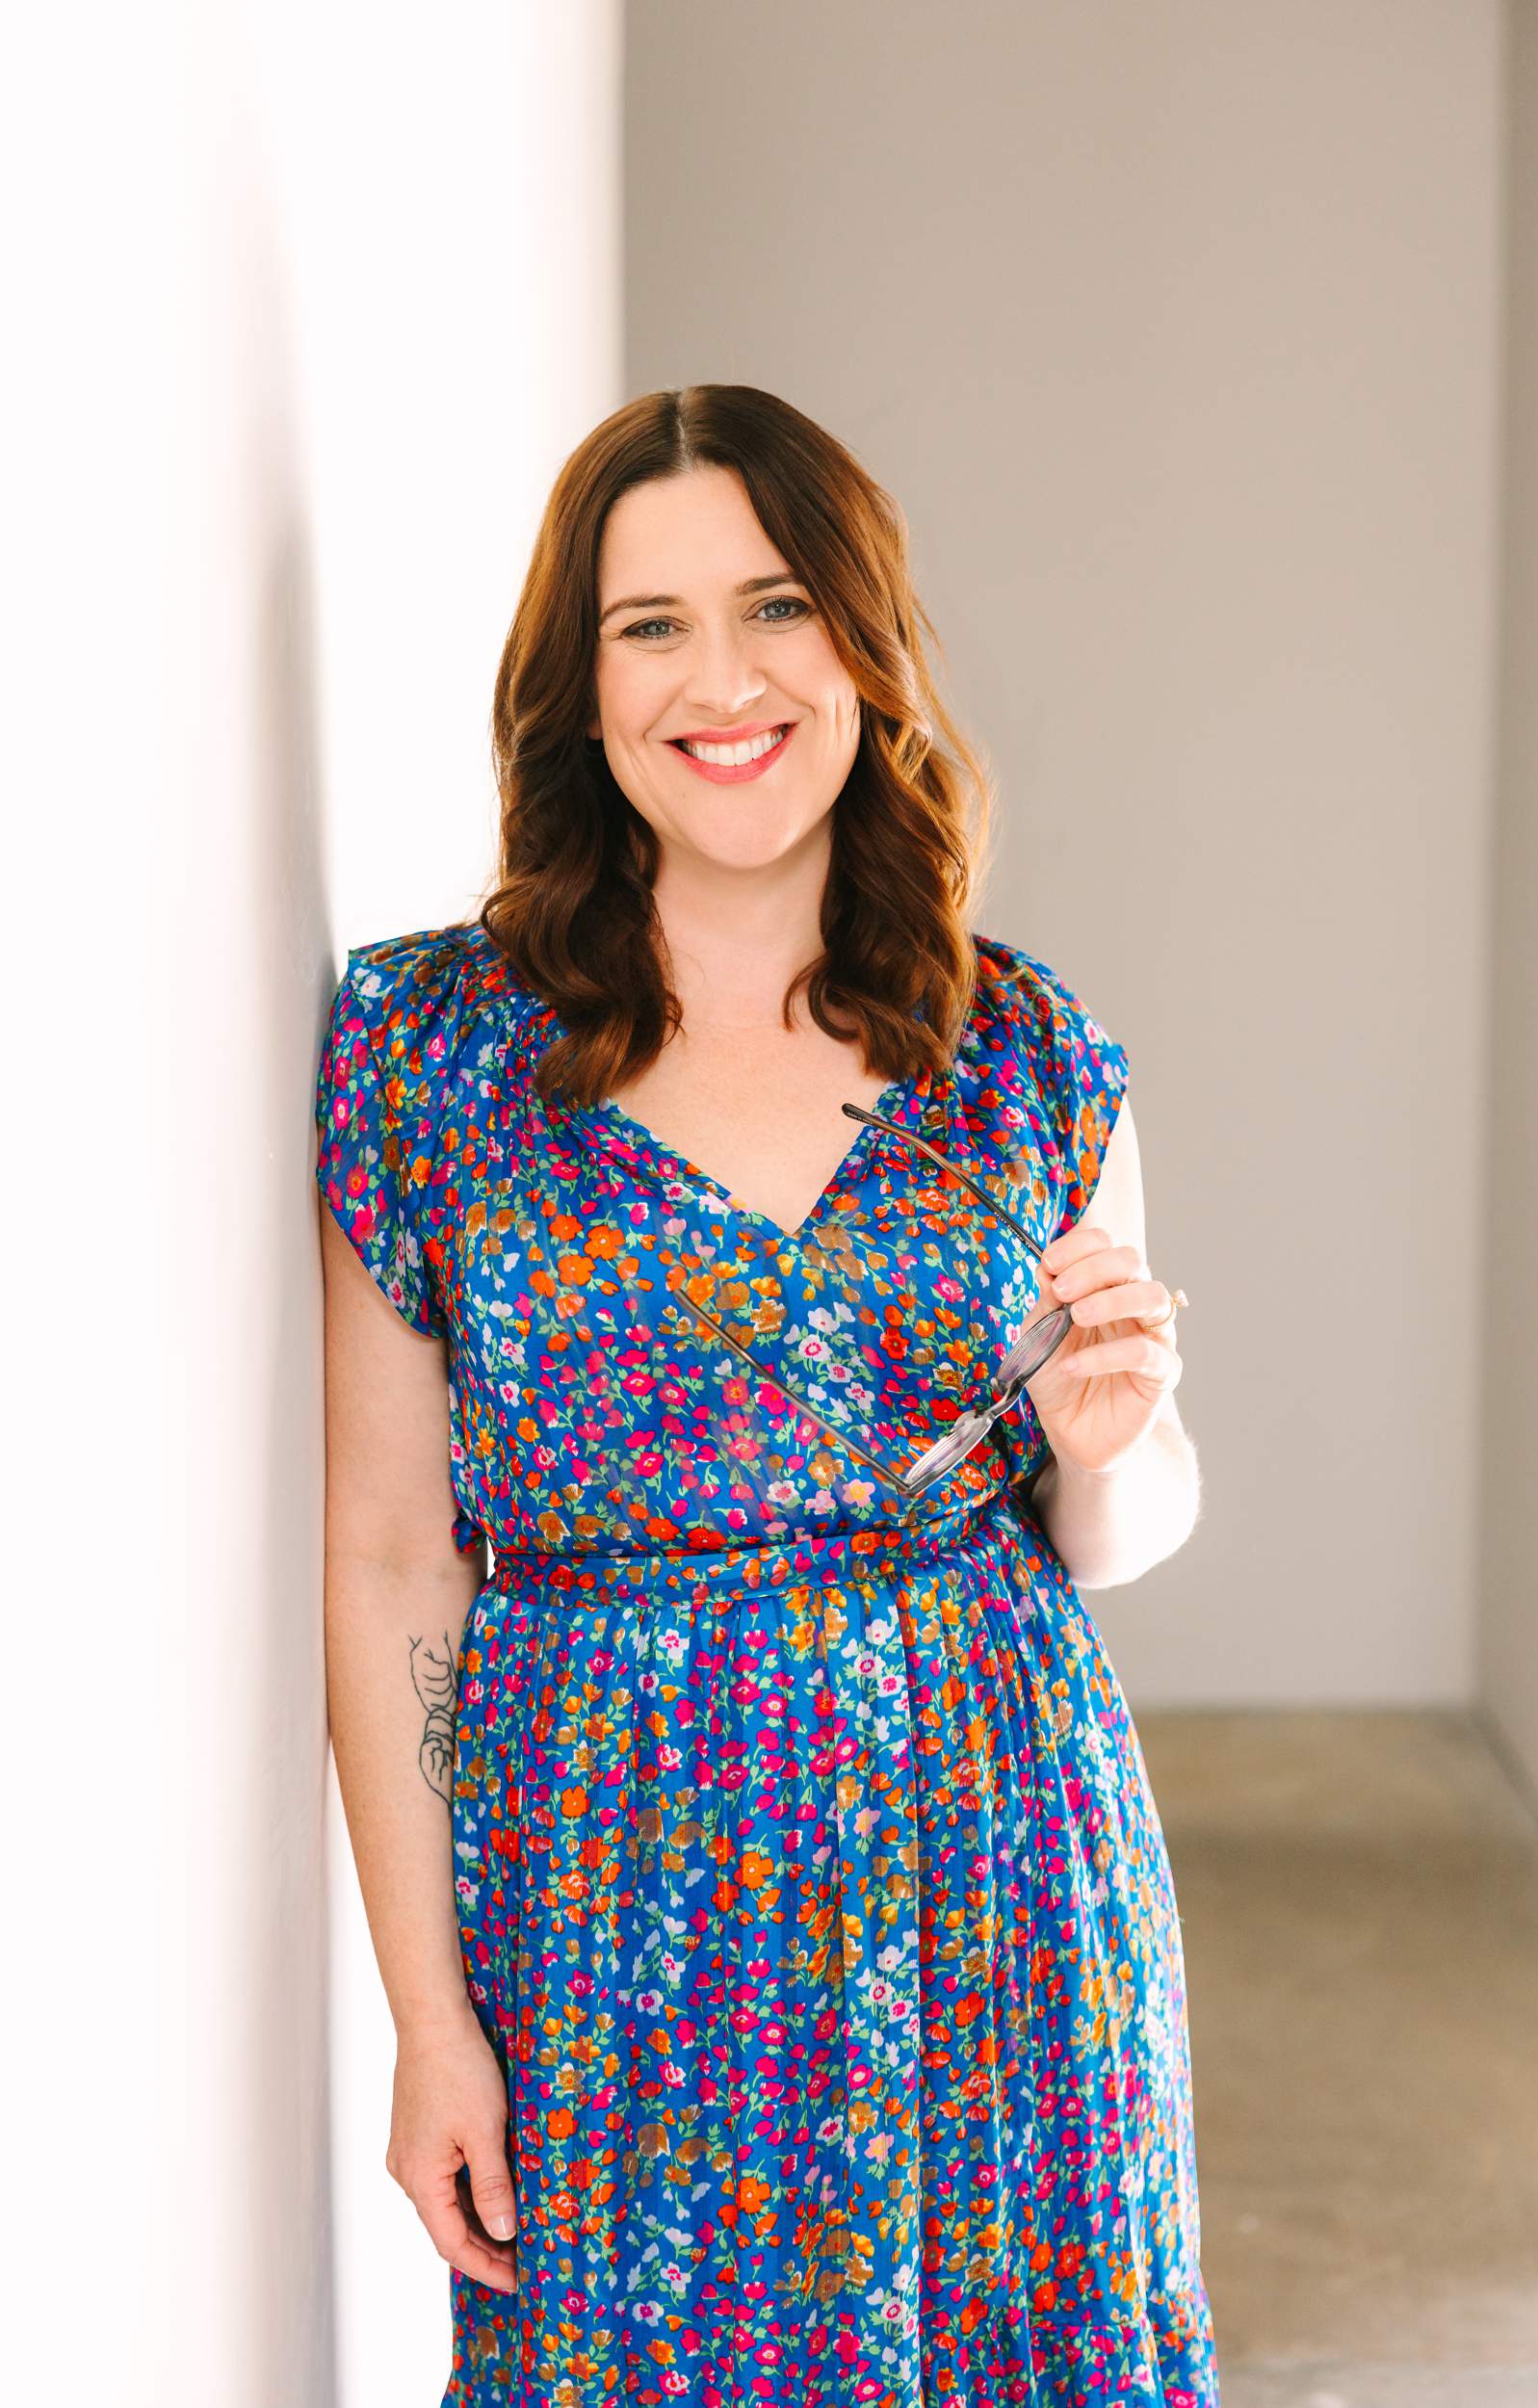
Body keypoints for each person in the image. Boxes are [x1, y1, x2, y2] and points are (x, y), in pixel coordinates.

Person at [315, 384, 1218, 2407]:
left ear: (863, 652)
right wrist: (431, 2021)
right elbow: (384, 1553)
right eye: (651, 625)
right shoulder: (428, 1051)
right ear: (582, 684)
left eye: (778, 607)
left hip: (997, 1862)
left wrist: (1112, 1435)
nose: (721, 679)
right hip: (610, 1887)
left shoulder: (1023, 1043)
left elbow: (1115, 1523)